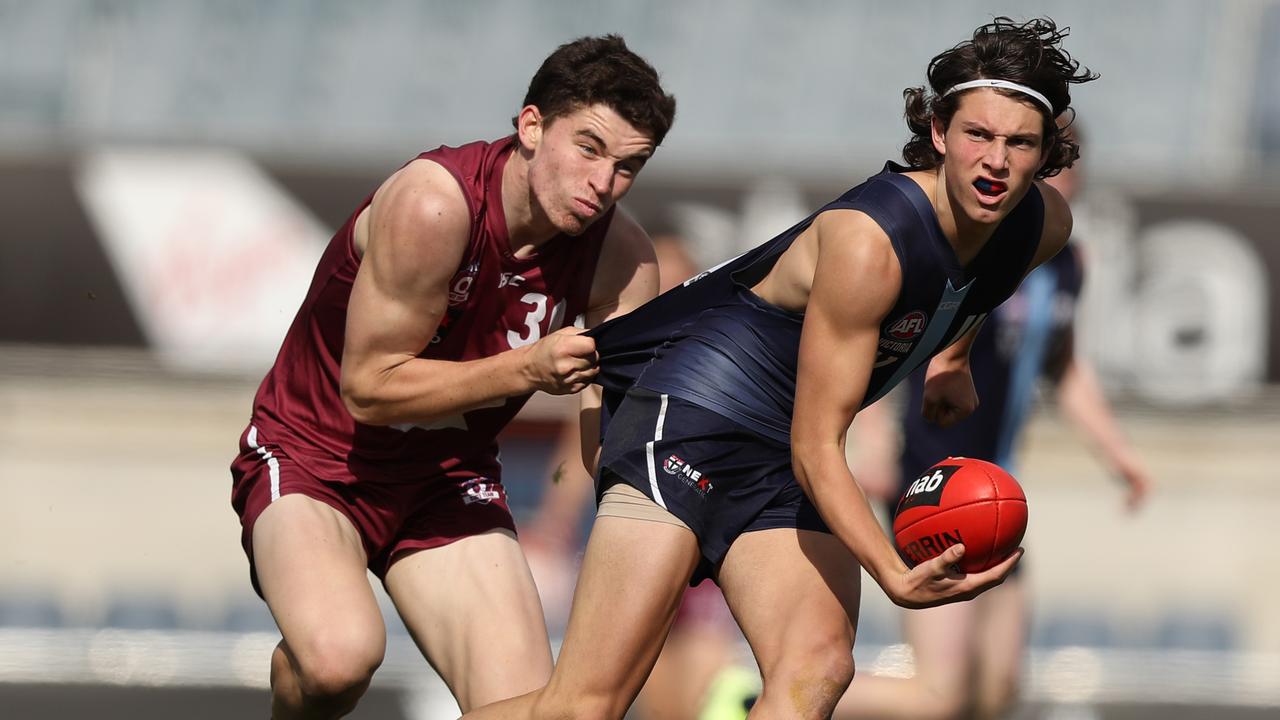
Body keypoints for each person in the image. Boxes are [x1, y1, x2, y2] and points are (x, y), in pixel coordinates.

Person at [462, 16, 1097, 720]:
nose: (996, 163)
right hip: (691, 419)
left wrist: (953, 355)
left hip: (779, 450)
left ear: (1045, 157)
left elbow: (983, 276)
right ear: (940, 133)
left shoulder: (1044, 226)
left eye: (1020, 144)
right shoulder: (871, 242)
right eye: (978, 135)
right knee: (585, 707)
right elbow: (817, 445)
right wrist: (893, 571)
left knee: (818, 668)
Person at [227, 35, 676, 719]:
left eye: (628, 167)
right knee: (338, 660)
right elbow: (369, 388)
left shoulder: (622, 259)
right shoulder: (435, 205)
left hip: (447, 478)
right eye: (588, 148)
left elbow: (611, 437)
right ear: (531, 127)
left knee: (535, 711)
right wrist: (526, 366)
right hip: (318, 458)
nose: (604, 185)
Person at [832, 123, 1152, 720]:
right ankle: (754, 695)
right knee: (938, 697)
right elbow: (878, 337)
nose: (1059, 180)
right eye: (1047, 165)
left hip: (998, 489)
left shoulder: (1065, 263)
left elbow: (1066, 366)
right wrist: (871, 439)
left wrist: (1117, 454)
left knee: (996, 690)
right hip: (935, 482)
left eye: (1064, 164)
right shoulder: (965, 244)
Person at [520, 234, 748, 720]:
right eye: (656, 284)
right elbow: (579, 453)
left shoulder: (721, 346)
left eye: (677, 281)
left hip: (704, 539)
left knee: (705, 694)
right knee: (642, 699)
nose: (665, 291)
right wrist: (554, 519)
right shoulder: (616, 355)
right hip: (637, 534)